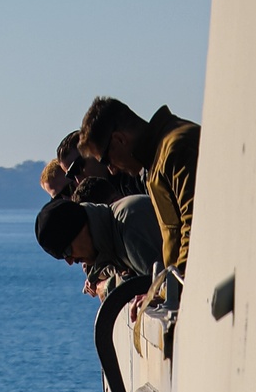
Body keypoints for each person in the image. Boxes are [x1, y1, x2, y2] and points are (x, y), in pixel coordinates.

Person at [78, 98, 200, 273]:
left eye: (106, 160)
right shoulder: (155, 163)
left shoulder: (176, 149)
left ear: (119, 139)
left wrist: (175, 287)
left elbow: (193, 225)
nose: (111, 170)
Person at [34, 195, 162, 283]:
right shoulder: (111, 236)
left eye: (67, 251)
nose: (70, 261)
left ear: (80, 227)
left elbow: (165, 283)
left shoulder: (129, 223)